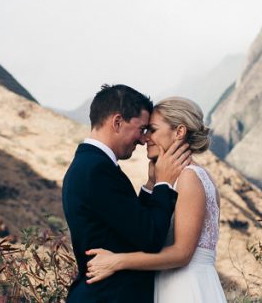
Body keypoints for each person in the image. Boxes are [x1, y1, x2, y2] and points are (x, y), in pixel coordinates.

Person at [84, 97, 227, 303]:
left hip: (186, 288)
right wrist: (153, 183)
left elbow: (182, 254)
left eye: (152, 130)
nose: (145, 138)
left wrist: (117, 261)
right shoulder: (189, 176)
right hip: (175, 283)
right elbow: (145, 231)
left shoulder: (189, 177)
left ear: (179, 132)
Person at [62, 84, 192, 302]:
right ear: (117, 122)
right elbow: (149, 237)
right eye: (141, 129)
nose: (143, 140)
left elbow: (127, 225)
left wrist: (151, 185)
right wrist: (164, 183)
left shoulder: (91, 164)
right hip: (109, 296)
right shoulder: (96, 170)